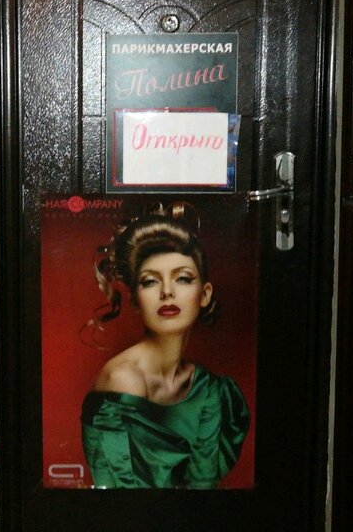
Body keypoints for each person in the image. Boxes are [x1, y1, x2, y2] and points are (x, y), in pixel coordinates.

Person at [80, 202, 249, 488]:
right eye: (150, 282)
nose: (167, 292)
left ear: (205, 294)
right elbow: (126, 499)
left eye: (183, 278)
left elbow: (203, 485)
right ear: (135, 299)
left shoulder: (208, 389)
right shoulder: (123, 379)